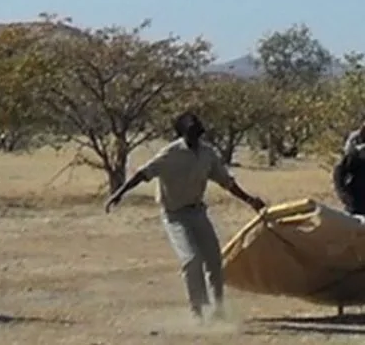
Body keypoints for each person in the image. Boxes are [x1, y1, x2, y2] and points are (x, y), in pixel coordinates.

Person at [105, 111, 265, 320]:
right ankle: (197, 311)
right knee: (191, 260)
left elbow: (227, 182)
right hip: (175, 216)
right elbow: (143, 174)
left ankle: (218, 309)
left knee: (214, 260)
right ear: (182, 133)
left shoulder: (208, 154)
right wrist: (119, 193)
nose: (195, 137)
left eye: (197, 133)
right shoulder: (170, 154)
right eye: (191, 133)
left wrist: (250, 200)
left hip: (197, 212)